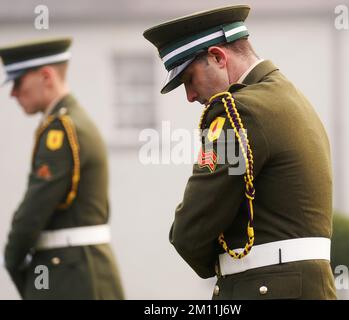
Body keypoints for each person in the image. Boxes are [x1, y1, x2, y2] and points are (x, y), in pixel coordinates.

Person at [143, 5, 336, 299]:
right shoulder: (289, 97)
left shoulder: (239, 111)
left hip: (265, 288)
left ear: (218, 57)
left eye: (189, 79)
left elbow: (190, 230)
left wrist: (221, 261)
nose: (190, 96)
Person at [0, 37, 124, 299]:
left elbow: (33, 211)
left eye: (18, 82)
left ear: (45, 76)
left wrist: (12, 259)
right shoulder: (71, 122)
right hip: (79, 269)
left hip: (71, 274)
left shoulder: (61, 130)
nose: (13, 93)